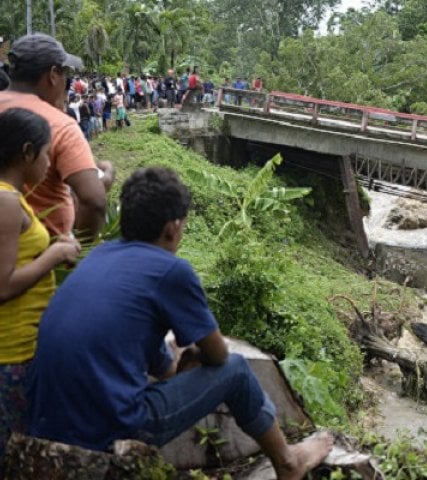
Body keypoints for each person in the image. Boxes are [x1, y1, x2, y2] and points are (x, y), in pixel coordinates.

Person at [29, 167, 333, 478]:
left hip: (46, 427)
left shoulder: (100, 255)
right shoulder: (170, 271)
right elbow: (220, 357)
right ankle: (288, 462)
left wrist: (174, 361)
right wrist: (194, 354)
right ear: (173, 227)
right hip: (111, 430)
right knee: (237, 371)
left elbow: (143, 350)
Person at [0, 108, 81, 475]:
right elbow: (3, 285)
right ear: (27, 151)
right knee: (12, 452)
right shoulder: (5, 202)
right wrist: (56, 253)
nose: (50, 163)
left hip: (20, 349)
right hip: (11, 353)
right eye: (47, 154)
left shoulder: (12, 198)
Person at [0, 33, 113, 239]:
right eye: (64, 74)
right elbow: (94, 201)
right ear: (53, 75)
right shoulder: (59, 125)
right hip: (43, 254)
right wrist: (78, 246)